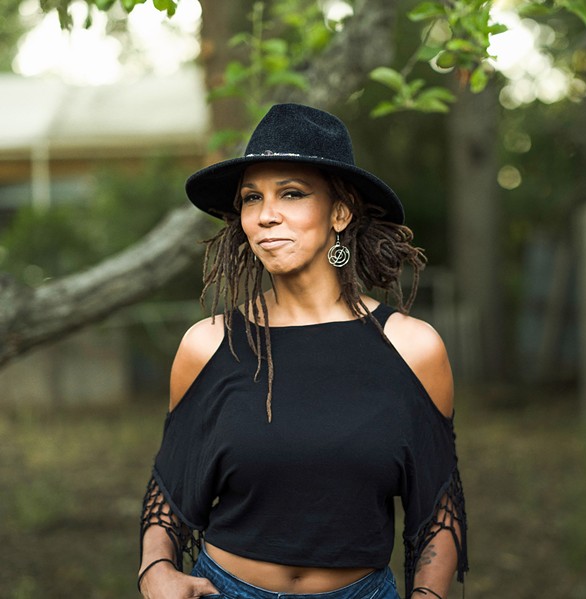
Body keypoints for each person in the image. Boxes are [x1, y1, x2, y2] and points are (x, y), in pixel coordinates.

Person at [138, 103, 468, 599]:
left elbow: (438, 509)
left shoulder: (412, 348)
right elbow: (169, 486)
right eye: (252, 198)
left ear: (339, 212)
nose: (266, 215)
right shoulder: (207, 345)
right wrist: (156, 570)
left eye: (291, 194)